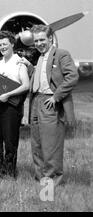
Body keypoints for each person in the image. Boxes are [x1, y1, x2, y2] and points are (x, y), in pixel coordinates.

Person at [29, 24, 78, 186]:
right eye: (36, 41)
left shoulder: (62, 54)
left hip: (51, 103)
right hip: (36, 102)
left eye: (42, 39)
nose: (39, 43)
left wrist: (56, 97)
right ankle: (40, 181)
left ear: (50, 38)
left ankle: (50, 187)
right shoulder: (40, 57)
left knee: (50, 148)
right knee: (36, 146)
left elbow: (72, 76)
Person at [0, 31, 29, 178]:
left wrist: (7, 95)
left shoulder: (19, 62)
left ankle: (9, 173)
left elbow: (26, 85)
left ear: (12, 44)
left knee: (10, 141)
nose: (3, 47)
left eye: (5, 44)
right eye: (0, 44)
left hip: (10, 107)